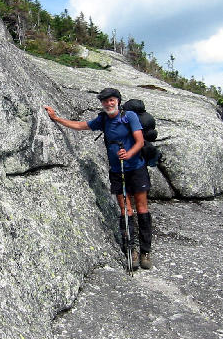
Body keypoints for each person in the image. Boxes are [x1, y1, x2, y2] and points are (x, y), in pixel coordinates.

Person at [44, 87, 153, 270]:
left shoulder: (130, 116)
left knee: (141, 208)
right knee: (125, 210)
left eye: (112, 100)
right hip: (117, 171)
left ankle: (145, 251)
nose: (109, 103)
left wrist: (129, 154)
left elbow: (139, 141)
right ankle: (131, 250)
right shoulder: (103, 119)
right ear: (102, 103)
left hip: (136, 168)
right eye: (105, 101)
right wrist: (56, 118)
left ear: (118, 100)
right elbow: (81, 125)